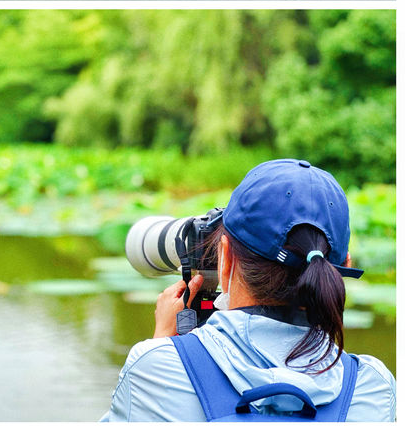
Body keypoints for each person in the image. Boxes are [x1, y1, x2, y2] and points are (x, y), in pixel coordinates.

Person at [100, 159, 395, 421]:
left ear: (225, 257)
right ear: (344, 267)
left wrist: (160, 343)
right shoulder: (373, 388)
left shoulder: (157, 371)